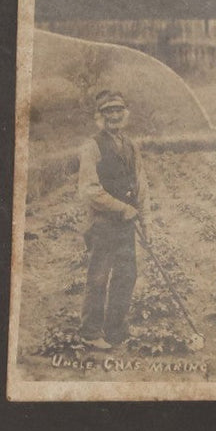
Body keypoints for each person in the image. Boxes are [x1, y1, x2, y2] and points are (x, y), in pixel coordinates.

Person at [76, 89, 149, 348]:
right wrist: (120, 208)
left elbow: (140, 185)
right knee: (99, 276)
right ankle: (91, 333)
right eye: (109, 111)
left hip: (126, 224)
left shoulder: (131, 145)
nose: (114, 115)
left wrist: (145, 223)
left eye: (118, 110)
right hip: (103, 223)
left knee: (126, 275)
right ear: (100, 116)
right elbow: (89, 190)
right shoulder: (92, 146)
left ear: (125, 113)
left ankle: (116, 331)